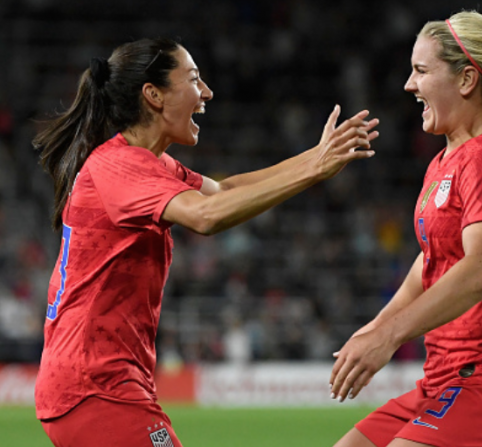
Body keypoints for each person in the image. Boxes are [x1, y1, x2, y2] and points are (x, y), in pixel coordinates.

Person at [32, 37, 379, 447]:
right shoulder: (119, 166)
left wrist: (316, 159)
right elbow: (205, 216)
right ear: (154, 95)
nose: (207, 93)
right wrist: (311, 171)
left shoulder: (150, 164)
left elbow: (224, 191)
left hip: (102, 383)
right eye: (195, 80)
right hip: (93, 386)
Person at [329, 11, 482, 447]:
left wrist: (389, 337)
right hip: (443, 383)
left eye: (421, 71)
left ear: (466, 80)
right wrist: (375, 329)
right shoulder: (444, 162)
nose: (409, 84)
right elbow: (431, 260)